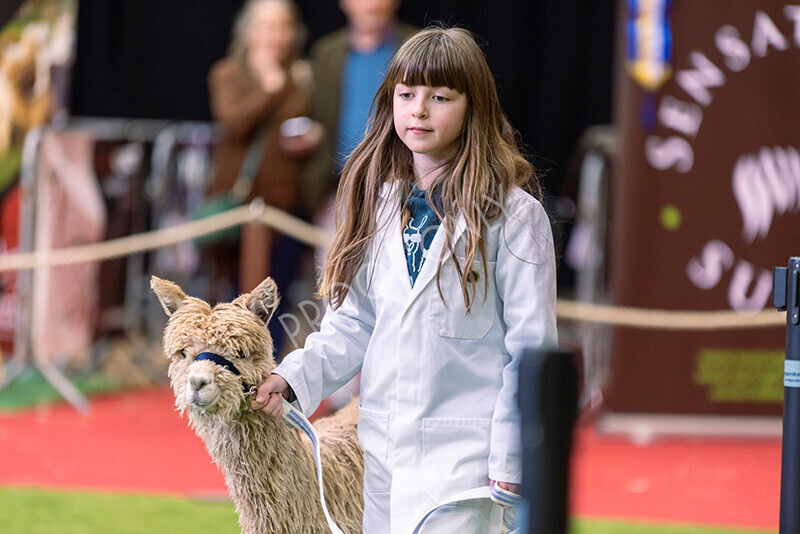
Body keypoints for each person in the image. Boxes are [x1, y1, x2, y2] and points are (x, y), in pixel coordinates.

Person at [252, 27, 558, 533]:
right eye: (407, 94)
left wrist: (511, 465)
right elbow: (353, 325)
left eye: (439, 97)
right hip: (384, 459)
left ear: (473, 107)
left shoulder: (514, 216)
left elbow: (530, 351)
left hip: (468, 467)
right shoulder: (377, 205)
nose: (418, 110)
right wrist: (292, 378)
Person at [204, 0, 319, 354]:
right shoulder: (227, 73)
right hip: (238, 208)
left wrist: (312, 138)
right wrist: (268, 89)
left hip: (284, 208)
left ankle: (265, 374)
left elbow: (296, 128)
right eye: (266, 25)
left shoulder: (302, 77)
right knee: (232, 297)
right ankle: (226, 369)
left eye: (282, 25)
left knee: (275, 298)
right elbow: (233, 123)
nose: (275, 34)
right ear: (249, 30)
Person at [301, 0, 416, 219]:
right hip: (336, 189)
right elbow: (315, 114)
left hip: (404, 184)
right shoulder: (326, 52)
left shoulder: (416, 46)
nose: (371, 5)